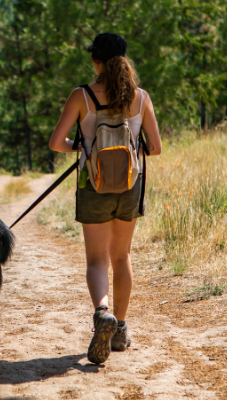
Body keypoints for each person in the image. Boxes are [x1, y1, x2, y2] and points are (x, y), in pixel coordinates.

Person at [48, 33, 162, 364]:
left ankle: (102, 312)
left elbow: (57, 142)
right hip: (129, 186)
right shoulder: (140, 98)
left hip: (92, 184)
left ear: (95, 61)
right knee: (121, 257)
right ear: (124, 59)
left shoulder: (81, 96)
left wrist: (79, 146)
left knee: (96, 260)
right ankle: (121, 329)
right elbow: (155, 147)